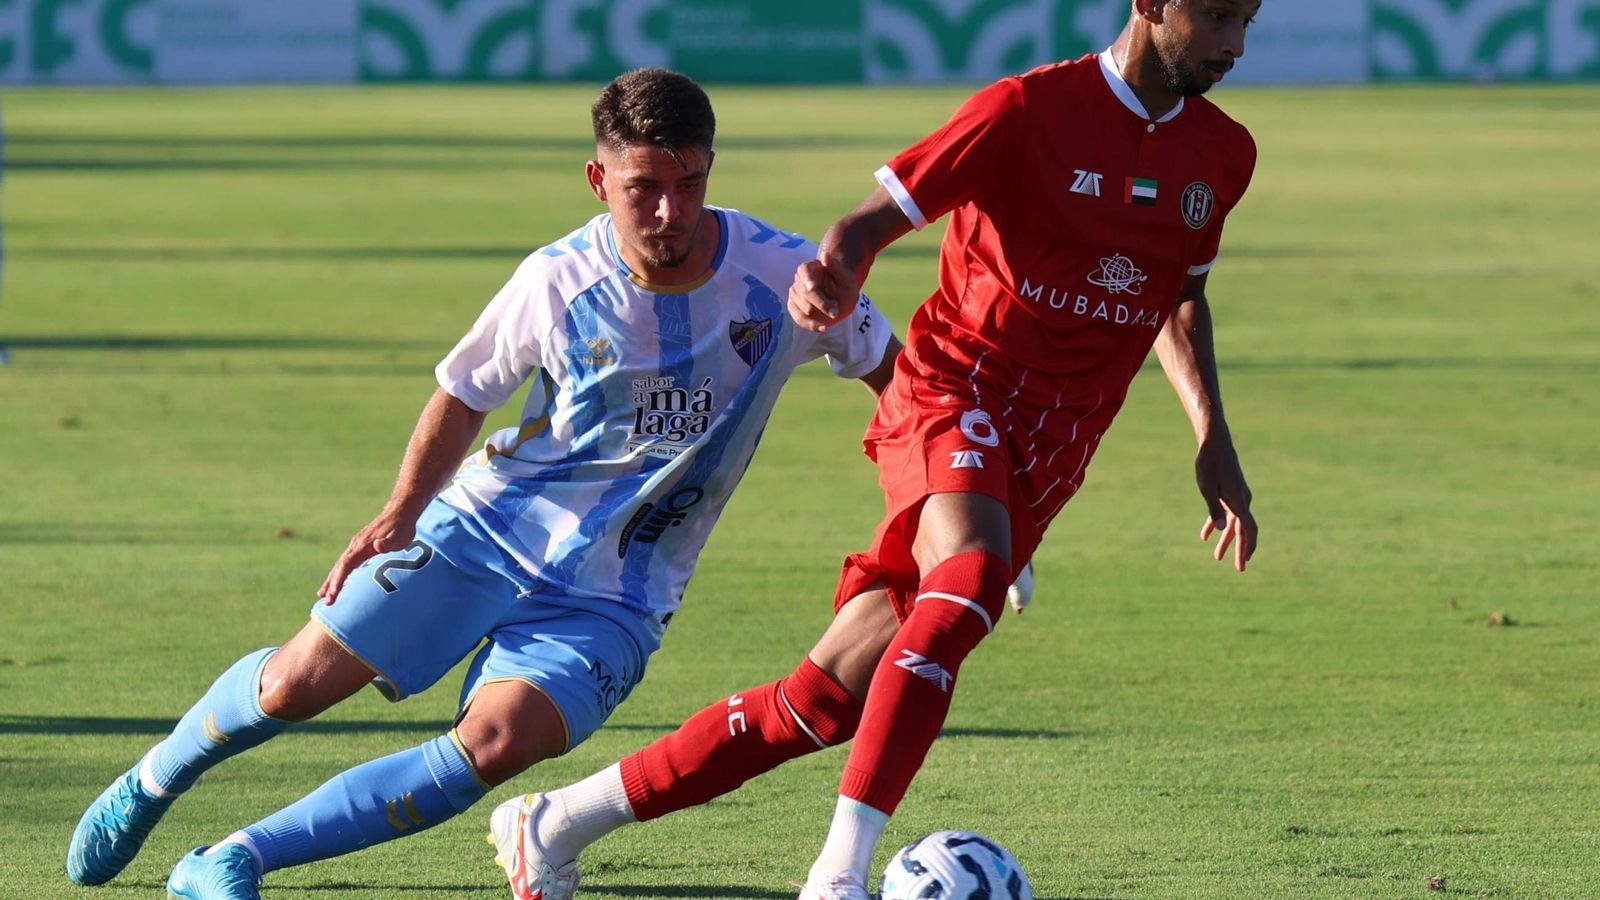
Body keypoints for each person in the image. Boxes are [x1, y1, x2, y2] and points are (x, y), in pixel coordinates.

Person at [482, 2, 1261, 898]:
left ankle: (555, 821)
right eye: (1214, 16)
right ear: (1150, 5)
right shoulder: (1024, 112)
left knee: (821, 703)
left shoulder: (1223, 153)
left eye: (1247, 19)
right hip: (953, 391)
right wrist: (832, 275)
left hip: (1052, 451)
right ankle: (839, 877)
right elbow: (864, 225)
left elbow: (1180, 299)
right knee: (967, 580)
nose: (1233, 43)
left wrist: (1213, 439)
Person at [63, 68, 902, 900]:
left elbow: (903, 381)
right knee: (294, 686)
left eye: (690, 184)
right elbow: (464, 395)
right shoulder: (558, 279)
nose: (669, 213)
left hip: (622, 592)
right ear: (598, 178)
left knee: (498, 742)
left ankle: (233, 858)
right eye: (644, 187)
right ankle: (155, 778)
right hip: (487, 526)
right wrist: (399, 514)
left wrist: (950, 507)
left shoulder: (786, 276)